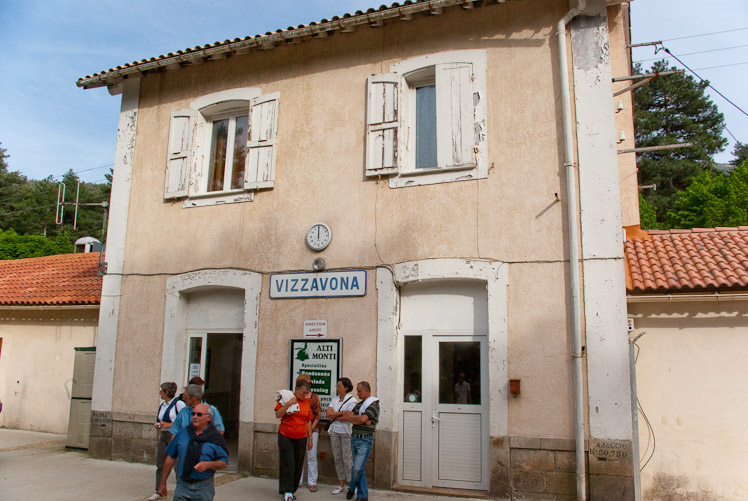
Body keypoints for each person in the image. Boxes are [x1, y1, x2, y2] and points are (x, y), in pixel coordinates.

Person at [157, 403, 228, 500]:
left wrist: (208, 465)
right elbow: (170, 457)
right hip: (182, 485)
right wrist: (162, 482)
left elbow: (224, 462)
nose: (195, 417)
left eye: (199, 414)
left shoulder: (215, 437)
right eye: (193, 414)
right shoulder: (183, 433)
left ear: (208, 418)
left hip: (204, 487)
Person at [339, 381, 379, 501]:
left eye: (359, 391)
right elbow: (349, 418)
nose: (357, 393)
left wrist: (361, 419)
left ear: (367, 391)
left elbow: (362, 419)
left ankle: (352, 488)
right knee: (359, 468)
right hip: (354, 438)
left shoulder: (373, 404)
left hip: (365, 440)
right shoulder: (360, 405)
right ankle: (363, 496)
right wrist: (360, 418)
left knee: (356, 468)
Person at [275, 378, 313, 501]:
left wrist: (310, 438)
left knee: (298, 464)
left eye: (307, 393)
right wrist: (288, 404)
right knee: (288, 463)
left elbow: (308, 420)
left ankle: (292, 489)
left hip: (301, 437)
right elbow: (278, 414)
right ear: (296, 390)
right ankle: (287, 491)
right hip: (286, 435)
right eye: (303, 392)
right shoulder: (286, 398)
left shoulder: (306, 402)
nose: (305, 395)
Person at [148, 382, 187, 501]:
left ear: (166, 392)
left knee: (177, 464)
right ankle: (159, 490)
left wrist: (169, 425)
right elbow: (160, 419)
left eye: (161, 390)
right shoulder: (163, 405)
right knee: (160, 463)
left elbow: (184, 421)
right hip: (164, 434)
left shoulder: (179, 404)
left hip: (175, 435)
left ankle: (182, 490)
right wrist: (159, 425)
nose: (159, 392)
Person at [325, 377, 357, 495]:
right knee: (337, 458)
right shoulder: (335, 399)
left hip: (346, 433)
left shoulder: (351, 401)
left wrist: (336, 415)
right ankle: (341, 484)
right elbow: (328, 413)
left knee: (347, 459)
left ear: (346, 387)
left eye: (339, 386)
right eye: (337, 386)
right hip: (334, 431)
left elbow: (349, 417)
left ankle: (351, 485)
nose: (337, 388)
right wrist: (341, 413)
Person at [297, 373, 321, 492]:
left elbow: (317, 415)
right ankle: (298, 480)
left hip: (313, 428)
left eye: (309, 383)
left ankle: (312, 482)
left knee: (312, 456)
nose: (309, 385)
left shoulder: (314, 397)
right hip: (299, 429)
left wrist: (310, 429)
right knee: (299, 455)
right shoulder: (295, 397)